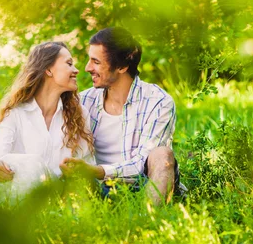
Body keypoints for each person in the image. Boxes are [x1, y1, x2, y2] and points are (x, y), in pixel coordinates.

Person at [59, 27, 186, 205]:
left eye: (96, 62)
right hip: (95, 188)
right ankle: (79, 225)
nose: (87, 68)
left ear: (122, 66)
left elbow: (142, 164)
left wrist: (95, 171)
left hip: (143, 186)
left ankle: (147, 220)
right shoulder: (84, 101)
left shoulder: (158, 101)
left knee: (162, 154)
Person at [0, 41, 94, 194]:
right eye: (69, 64)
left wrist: (76, 172)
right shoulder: (15, 112)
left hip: (63, 196)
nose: (76, 70)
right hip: (23, 197)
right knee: (33, 163)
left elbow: (87, 165)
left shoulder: (79, 113)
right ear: (48, 70)